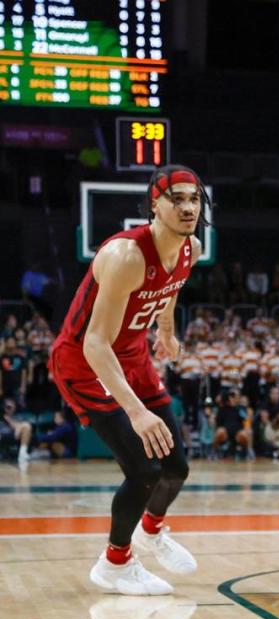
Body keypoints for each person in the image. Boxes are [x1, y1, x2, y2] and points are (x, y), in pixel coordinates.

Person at [48, 164, 208, 595]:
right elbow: (94, 344)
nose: (188, 207)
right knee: (143, 470)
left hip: (133, 355)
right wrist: (136, 412)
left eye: (194, 198)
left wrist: (167, 333)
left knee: (176, 467)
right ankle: (114, 564)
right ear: (154, 205)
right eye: (177, 199)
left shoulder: (189, 247)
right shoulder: (125, 256)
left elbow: (170, 287)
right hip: (85, 362)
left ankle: (150, 531)